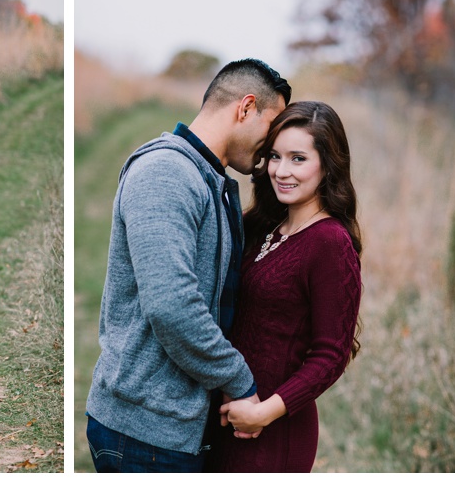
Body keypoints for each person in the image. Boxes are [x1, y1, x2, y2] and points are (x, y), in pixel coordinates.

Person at [85, 58, 292, 472]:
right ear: (245, 107)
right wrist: (239, 382)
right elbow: (171, 306)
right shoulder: (166, 173)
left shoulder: (206, 180)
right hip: (143, 435)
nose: (271, 148)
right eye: (272, 127)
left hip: (173, 430)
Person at [215, 101, 362, 472]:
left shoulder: (330, 243)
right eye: (275, 157)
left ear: (328, 165)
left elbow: (331, 354)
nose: (281, 171)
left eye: (298, 158)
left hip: (274, 431)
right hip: (229, 421)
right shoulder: (263, 226)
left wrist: (263, 412)